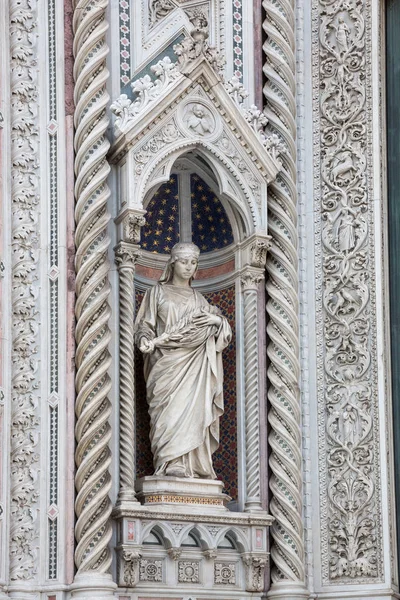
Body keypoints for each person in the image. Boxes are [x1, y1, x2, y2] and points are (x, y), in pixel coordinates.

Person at [135, 242, 232, 479]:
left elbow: (219, 333)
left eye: (193, 262)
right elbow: (144, 326)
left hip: (195, 367)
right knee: (169, 413)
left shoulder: (200, 300)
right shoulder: (156, 292)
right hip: (166, 365)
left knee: (191, 410)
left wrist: (217, 322)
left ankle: (192, 465)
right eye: (184, 261)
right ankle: (169, 462)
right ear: (172, 263)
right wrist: (145, 340)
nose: (189, 267)